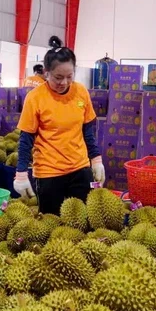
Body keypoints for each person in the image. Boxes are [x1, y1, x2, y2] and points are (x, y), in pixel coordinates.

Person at [14, 36, 104, 215]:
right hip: (49, 173)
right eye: (58, 78)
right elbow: (26, 139)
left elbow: (87, 131)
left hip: (79, 169)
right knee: (51, 225)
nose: (64, 82)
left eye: (69, 77)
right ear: (46, 73)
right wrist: (21, 172)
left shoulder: (81, 92)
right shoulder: (35, 97)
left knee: (82, 222)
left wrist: (96, 160)